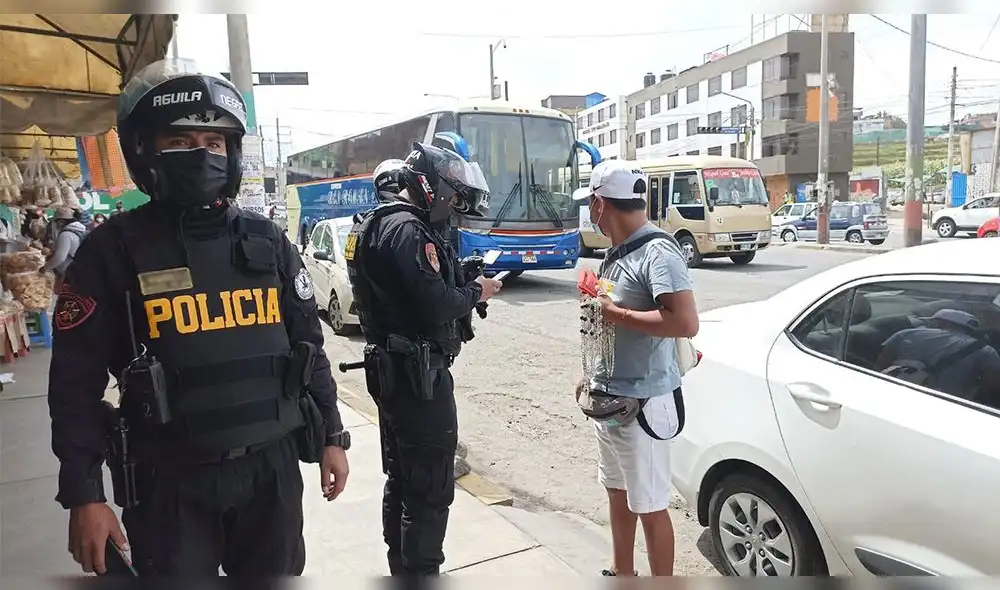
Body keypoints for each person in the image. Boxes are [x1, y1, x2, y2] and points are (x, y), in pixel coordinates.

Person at [47, 58, 351, 577]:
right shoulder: (111, 251)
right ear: (144, 149)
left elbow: (308, 346)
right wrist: (84, 493)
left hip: (270, 474)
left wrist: (332, 437)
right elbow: (74, 384)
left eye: (214, 143)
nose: (201, 155)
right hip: (170, 485)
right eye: (181, 141)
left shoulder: (267, 241)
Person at [345, 138, 503, 576]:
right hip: (418, 377)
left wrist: (459, 279)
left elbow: (402, 294)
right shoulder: (408, 230)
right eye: (451, 196)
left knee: (403, 479)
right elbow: (435, 305)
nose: (454, 204)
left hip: (392, 369)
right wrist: (478, 290)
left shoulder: (374, 223)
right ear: (429, 186)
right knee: (429, 488)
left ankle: (403, 566)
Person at [573, 160, 699, 577]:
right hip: (609, 398)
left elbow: (684, 322)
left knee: (649, 505)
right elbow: (611, 314)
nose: (590, 214)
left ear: (599, 203)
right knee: (617, 490)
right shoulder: (617, 253)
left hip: (643, 403)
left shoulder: (657, 251)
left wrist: (617, 314)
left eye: (590, 206)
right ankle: (622, 571)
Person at [875, 308, 1000, 402]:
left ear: (943, 322)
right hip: (947, 404)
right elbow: (991, 386)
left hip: (895, 393)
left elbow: (880, 364)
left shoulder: (905, 334)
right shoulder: (985, 350)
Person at [42, 207, 88, 292]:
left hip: (69, 272)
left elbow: (60, 258)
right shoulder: (81, 230)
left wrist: (45, 268)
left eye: (56, 221)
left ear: (61, 221)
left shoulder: (66, 234)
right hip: (80, 270)